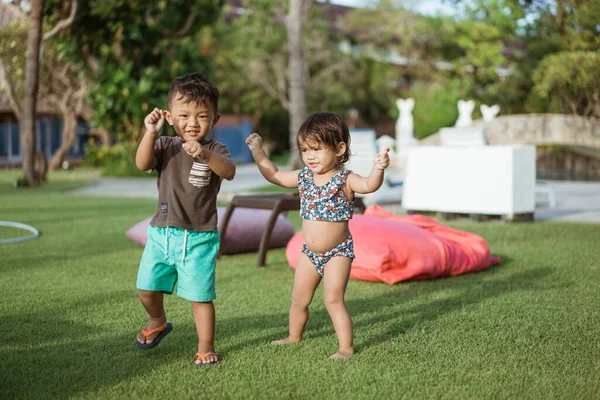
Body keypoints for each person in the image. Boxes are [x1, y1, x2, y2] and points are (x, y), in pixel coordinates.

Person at [246, 112, 390, 359]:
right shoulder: (303, 178)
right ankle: (294, 336)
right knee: (299, 298)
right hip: (309, 253)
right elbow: (275, 175)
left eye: (316, 149)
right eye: (304, 149)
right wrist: (258, 151)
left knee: (333, 300)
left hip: (338, 252)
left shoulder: (345, 179)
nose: (309, 156)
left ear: (339, 148)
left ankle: (345, 347)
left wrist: (378, 168)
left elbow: (369, 185)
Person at [134, 72, 236, 366]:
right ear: (168, 116)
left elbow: (228, 171)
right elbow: (142, 164)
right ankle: (157, 321)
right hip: (161, 234)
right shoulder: (165, 145)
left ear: (215, 119)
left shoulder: (215, 150)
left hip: (199, 237)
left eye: (202, 116)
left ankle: (206, 344)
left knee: (200, 296)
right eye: (184, 115)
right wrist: (150, 132)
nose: (192, 123)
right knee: (146, 288)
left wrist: (203, 154)